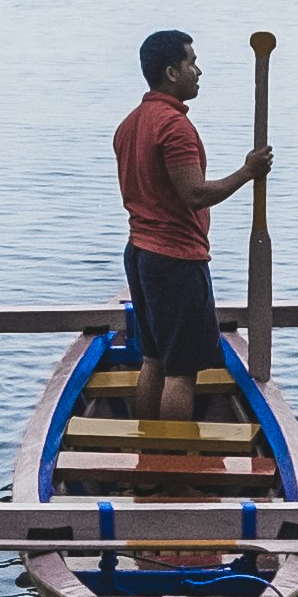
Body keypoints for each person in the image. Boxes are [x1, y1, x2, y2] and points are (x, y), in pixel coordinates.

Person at [113, 29, 270, 426]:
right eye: (191, 63)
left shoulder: (131, 124)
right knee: (181, 372)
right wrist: (247, 172)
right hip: (175, 260)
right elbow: (195, 194)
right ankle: (173, 474)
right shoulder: (173, 127)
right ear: (171, 72)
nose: (198, 71)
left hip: (141, 255)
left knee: (153, 359)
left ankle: (150, 465)